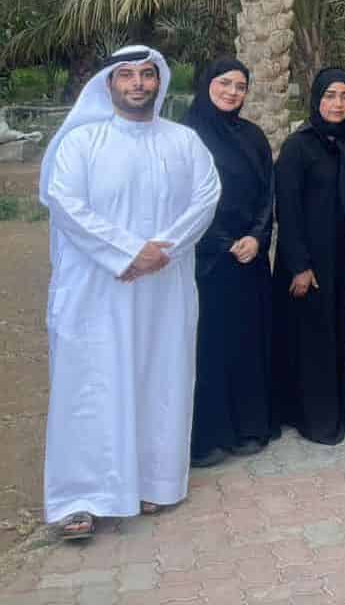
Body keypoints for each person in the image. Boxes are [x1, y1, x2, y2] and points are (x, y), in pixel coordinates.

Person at [39, 46, 221, 539]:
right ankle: (78, 498)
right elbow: (64, 203)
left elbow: (206, 197)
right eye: (127, 75)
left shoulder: (184, 141)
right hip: (96, 290)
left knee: (159, 378)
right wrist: (127, 252)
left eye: (146, 75)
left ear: (159, 83)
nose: (138, 84)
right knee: (90, 385)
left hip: (164, 289)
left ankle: (153, 482)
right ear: (109, 84)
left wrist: (162, 251)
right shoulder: (81, 143)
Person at [272, 68, 345, 445]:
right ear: (316, 99)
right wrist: (299, 265)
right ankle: (317, 418)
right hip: (312, 261)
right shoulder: (298, 146)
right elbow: (287, 209)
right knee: (316, 339)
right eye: (330, 96)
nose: (338, 104)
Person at [183, 58, 275, 468]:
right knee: (209, 344)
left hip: (249, 258)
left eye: (240, 86)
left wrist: (257, 236)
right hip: (205, 260)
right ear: (207, 84)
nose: (232, 92)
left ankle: (249, 427)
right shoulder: (186, 135)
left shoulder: (252, 136)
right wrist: (224, 243)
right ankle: (209, 437)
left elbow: (267, 193)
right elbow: (185, 199)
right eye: (225, 83)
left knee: (248, 340)